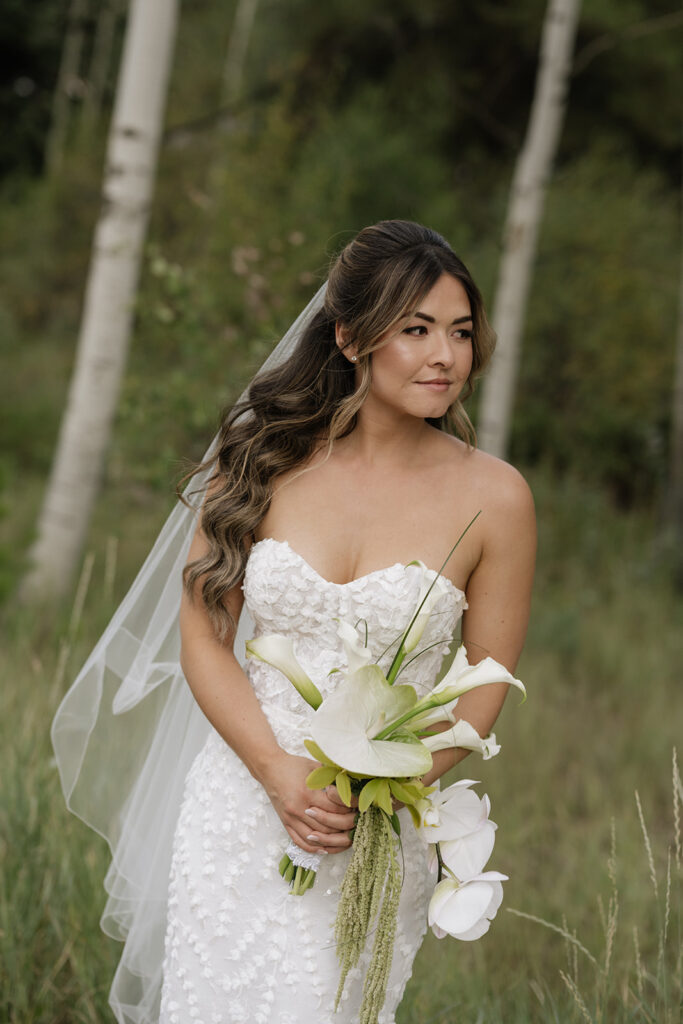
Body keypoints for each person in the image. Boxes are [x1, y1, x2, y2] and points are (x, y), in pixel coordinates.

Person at [53, 220, 535, 1024]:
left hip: (373, 827)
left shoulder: (496, 497)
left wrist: (391, 789)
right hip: (240, 798)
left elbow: (485, 679)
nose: (445, 356)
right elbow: (203, 639)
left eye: (458, 332)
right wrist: (278, 775)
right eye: (415, 330)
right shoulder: (259, 461)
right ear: (351, 336)